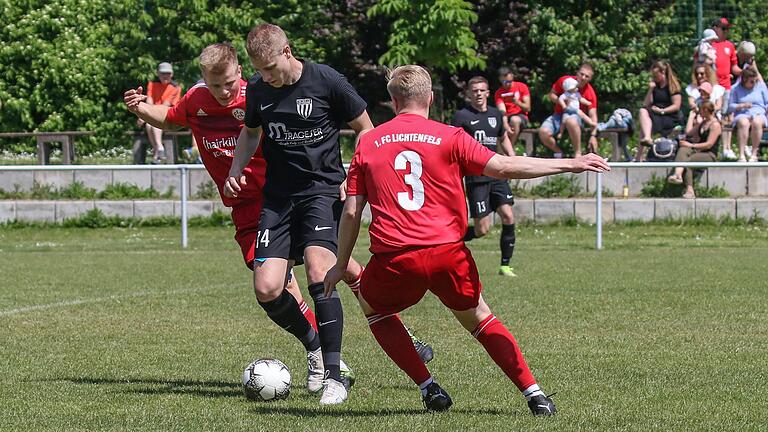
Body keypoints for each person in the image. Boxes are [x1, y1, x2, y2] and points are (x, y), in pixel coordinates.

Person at [124, 42, 433, 403]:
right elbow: (170, 117)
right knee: (295, 281)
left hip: (289, 198)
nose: (222, 93)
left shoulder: (259, 92)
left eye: (227, 84)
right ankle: (326, 351)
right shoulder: (198, 100)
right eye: (214, 85)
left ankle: (336, 357)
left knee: (330, 270)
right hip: (249, 210)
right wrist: (141, 107)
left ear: (239, 72)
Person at [324, 65, 610, 415]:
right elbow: (504, 166)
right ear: (429, 98)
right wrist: (571, 162)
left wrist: (341, 265)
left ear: (393, 101)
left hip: (396, 258)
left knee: (374, 307)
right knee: (479, 317)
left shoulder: (367, 142)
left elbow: (352, 211)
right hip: (448, 253)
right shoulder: (450, 135)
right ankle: (534, 394)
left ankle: (429, 388)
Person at [224, 23, 371, 405]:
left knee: (319, 272)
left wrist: (354, 174)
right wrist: (235, 169)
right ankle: (315, 348)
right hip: (278, 199)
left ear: (287, 51)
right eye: (259, 70)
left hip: (322, 192)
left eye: (270, 68)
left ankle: (335, 379)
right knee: (267, 288)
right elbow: (251, 133)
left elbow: (366, 129)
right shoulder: (258, 89)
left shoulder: (327, 80)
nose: (266, 77)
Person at [453, 76, 518, 277]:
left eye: (482, 90)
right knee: (482, 230)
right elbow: (454, 145)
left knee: (508, 215)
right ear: (469, 94)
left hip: (497, 175)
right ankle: (450, 240)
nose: (479, 94)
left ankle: (505, 265)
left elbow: (503, 138)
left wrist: (513, 159)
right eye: (475, 91)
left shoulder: (496, 115)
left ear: (488, 93)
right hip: (476, 178)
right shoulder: (461, 116)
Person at [538, 63, 599, 157]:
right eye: (581, 74)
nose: (583, 77)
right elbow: (551, 95)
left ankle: (577, 153)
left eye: (586, 76)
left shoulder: (590, 92)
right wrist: (562, 102)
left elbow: (593, 115)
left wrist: (593, 135)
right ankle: (558, 152)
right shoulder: (565, 81)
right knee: (543, 132)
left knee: (571, 121)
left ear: (590, 79)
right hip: (559, 114)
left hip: (576, 117)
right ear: (577, 73)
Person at [667, 101, 722, 198]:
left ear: (705, 110)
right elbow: (689, 132)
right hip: (699, 152)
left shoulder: (715, 125)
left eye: (700, 110)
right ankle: (678, 174)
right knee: (683, 149)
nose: (698, 112)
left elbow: (709, 144)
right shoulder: (703, 123)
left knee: (689, 162)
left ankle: (690, 190)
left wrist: (692, 145)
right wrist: (691, 117)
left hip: (710, 155)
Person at [634, 61, 683, 162]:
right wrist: (650, 89)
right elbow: (646, 104)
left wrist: (662, 111)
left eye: (656, 75)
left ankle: (639, 156)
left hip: (669, 116)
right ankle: (647, 139)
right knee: (643, 111)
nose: (654, 78)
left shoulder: (672, 86)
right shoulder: (655, 86)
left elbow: (676, 106)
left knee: (645, 126)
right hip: (656, 114)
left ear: (663, 72)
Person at [140, 62, 182, 164]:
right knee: (149, 125)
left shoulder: (175, 88)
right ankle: (159, 150)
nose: (165, 76)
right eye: (162, 73)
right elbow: (149, 101)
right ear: (158, 74)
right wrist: (144, 115)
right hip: (154, 113)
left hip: (170, 115)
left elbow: (165, 106)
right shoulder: (152, 84)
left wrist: (146, 114)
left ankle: (157, 151)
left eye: (167, 73)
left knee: (153, 123)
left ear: (171, 74)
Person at [729, 68, 768, 162]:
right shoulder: (735, 88)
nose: (754, 83)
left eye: (755, 81)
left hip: (759, 113)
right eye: (751, 81)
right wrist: (741, 106)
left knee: (757, 122)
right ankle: (741, 155)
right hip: (742, 113)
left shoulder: (761, 86)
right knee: (743, 122)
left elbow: (767, 102)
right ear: (744, 80)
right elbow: (730, 106)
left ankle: (754, 154)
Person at [493, 67, 530, 153]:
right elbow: (502, 111)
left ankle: (510, 149)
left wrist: (517, 102)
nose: (507, 84)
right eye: (504, 82)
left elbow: (527, 107)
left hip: (521, 116)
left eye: (509, 81)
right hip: (506, 117)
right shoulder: (499, 93)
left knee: (515, 120)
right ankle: (500, 152)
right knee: (498, 127)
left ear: (512, 77)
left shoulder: (522, 87)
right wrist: (505, 125)